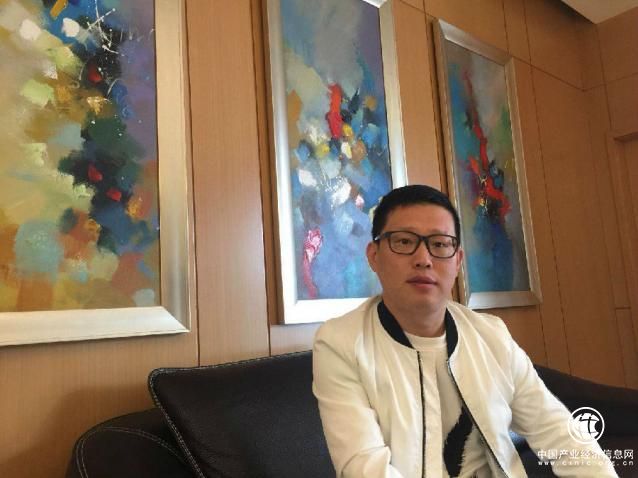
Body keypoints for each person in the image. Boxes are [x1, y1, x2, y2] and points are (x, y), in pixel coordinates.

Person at [312, 185, 616, 477]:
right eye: (404, 242)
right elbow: (364, 467)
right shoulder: (341, 343)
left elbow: (559, 432)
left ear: (457, 261)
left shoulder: (491, 335)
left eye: (440, 244)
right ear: (374, 256)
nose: (423, 259)